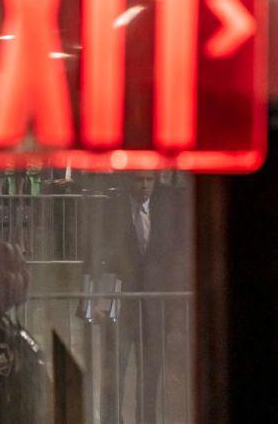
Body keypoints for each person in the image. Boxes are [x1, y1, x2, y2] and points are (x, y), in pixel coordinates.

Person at [96, 171, 190, 424]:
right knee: (114, 373)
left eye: (149, 180)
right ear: (129, 181)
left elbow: (177, 257)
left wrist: (176, 308)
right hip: (119, 304)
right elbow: (97, 255)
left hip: (155, 307)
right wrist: (96, 302)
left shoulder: (168, 208)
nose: (145, 186)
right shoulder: (112, 208)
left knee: (149, 379)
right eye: (139, 180)